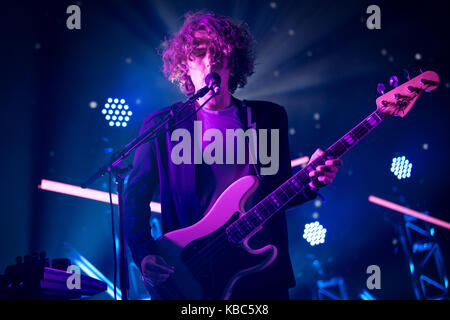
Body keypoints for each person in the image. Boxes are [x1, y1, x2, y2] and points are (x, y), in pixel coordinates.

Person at [123, 11, 342, 300]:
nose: (211, 59)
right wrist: (143, 253)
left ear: (233, 61)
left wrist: (313, 182)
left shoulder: (267, 117)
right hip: (190, 272)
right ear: (184, 65)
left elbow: (278, 193)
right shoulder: (163, 126)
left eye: (220, 52)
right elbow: (134, 196)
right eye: (199, 52)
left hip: (260, 275)